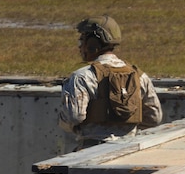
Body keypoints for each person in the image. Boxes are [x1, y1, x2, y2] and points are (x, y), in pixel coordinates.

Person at [59, 15, 163, 150]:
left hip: (91, 152)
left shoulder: (82, 77)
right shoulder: (139, 76)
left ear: (92, 44)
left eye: (82, 41)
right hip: (129, 150)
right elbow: (154, 118)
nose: (80, 47)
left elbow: (74, 117)